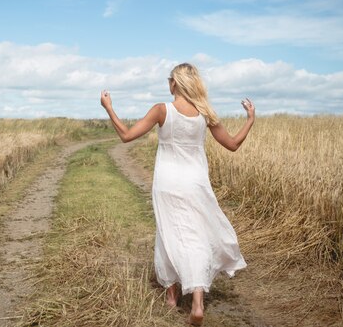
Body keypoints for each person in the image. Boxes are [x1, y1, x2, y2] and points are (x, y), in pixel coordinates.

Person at [100, 62, 255, 326]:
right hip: (195, 182)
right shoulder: (205, 113)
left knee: (168, 231)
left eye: (169, 80)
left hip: (167, 182)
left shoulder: (162, 110)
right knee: (195, 235)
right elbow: (232, 144)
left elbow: (126, 136)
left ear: (174, 83)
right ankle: (197, 301)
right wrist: (250, 119)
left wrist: (109, 108)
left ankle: (172, 296)